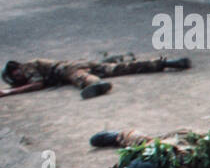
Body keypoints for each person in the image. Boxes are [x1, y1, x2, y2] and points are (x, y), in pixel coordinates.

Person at [3, 55, 190, 100]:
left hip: (66, 70)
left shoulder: (27, 66)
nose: (20, 78)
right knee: (120, 68)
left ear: (16, 69)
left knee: (81, 78)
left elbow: (37, 84)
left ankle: (98, 85)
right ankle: (166, 63)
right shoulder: (29, 66)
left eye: (16, 76)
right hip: (76, 63)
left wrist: (10, 92)